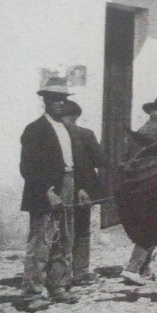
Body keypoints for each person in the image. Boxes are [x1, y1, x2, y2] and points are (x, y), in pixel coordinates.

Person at [19, 79, 80, 311]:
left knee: (64, 239)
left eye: (64, 99)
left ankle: (58, 287)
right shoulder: (35, 129)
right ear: (45, 100)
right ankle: (32, 294)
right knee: (41, 242)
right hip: (44, 190)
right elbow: (28, 167)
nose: (61, 103)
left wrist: (78, 188)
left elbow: (72, 162)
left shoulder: (64, 127)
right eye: (55, 99)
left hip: (68, 183)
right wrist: (48, 192)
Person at [121, 97, 157, 285]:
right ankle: (133, 268)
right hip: (149, 187)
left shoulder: (136, 133)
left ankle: (144, 269)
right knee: (153, 227)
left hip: (132, 185)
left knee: (146, 225)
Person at [60, 99, 106, 286]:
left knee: (61, 232)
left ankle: (60, 275)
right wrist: (84, 189)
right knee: (81, 231)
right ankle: (79, 272)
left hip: (60, 190)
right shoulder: (86, 135)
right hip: (83, 191)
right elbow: (100, 161)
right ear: (76, 116)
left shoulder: (56, 136)